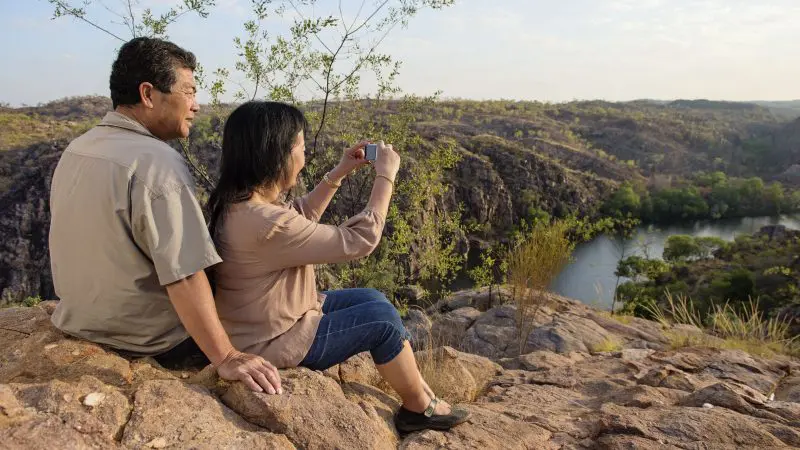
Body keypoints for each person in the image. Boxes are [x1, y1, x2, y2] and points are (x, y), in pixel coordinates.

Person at [207, 100, 470, 433]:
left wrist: (340, 171)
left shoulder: (241, 204)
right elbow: (361, 240)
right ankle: (418, 408)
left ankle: (417, 387)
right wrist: (385, 177)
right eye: (300, 148)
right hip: (271, 340)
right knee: (383, 321)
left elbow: (298, 215)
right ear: (279, 156)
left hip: (274, 317)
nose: (303, 159)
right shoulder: (264, 222)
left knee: (372, 298)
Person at [48, 37, 282, 395]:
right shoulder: (157, 164)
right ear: (148, 94)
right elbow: (185, 273)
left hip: (81, 321)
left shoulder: (78, 149)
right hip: (151, 340)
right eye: (188, 92)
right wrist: (227, 356)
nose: (196, 106)